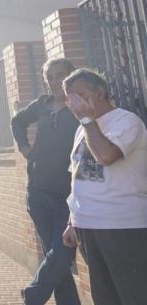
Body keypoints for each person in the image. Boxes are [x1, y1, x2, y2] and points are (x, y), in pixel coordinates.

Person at [61, 69, 147, 305]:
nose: (74, 104)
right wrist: (71, 220)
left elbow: (106, 155)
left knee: (134, 295)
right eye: (70, 98)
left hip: (122, 226)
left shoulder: (127, 121)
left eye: (79, 95)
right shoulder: (81, 129)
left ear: (100, 92)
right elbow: (77, 177)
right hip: (87, 225)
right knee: (105, 297)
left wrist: (88, 121)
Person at [10, 58, 81, 305]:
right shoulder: (41, 105)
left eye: (60, 75)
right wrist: (25, 148)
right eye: (50, 77)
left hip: (68, 194)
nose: (54, 81)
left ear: (71, 75)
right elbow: (17, 121)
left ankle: (33, 295)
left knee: (62, 251)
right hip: (38, 191)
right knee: (55, 255)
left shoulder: (79, 106)